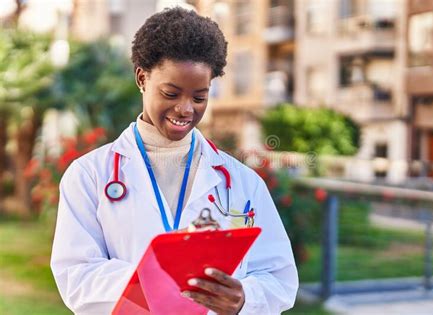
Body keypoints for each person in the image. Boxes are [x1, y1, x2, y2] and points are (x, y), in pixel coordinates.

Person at [51, 7, 298, 315]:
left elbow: (280, 278)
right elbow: (76, 275)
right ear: (142, 78)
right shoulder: (89, 176)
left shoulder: (243, 183)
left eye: (199, 97)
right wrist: (156, 283)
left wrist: (244, 298)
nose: (184, 109)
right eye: (171, 93)